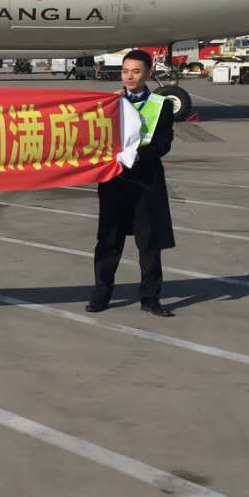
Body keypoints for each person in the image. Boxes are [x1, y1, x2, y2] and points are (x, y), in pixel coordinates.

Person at [88, 48, 176, 317]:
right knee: (108, 240)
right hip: (114, 180)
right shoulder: (109, 102)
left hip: (146, 180)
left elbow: (163, 144)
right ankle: (101, 294)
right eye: (125, 71)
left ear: (148, 73)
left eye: (136, 71)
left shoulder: (161, 105)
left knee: (149, 242)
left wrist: (138, 156)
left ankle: (150, 298)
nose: (129, 76)